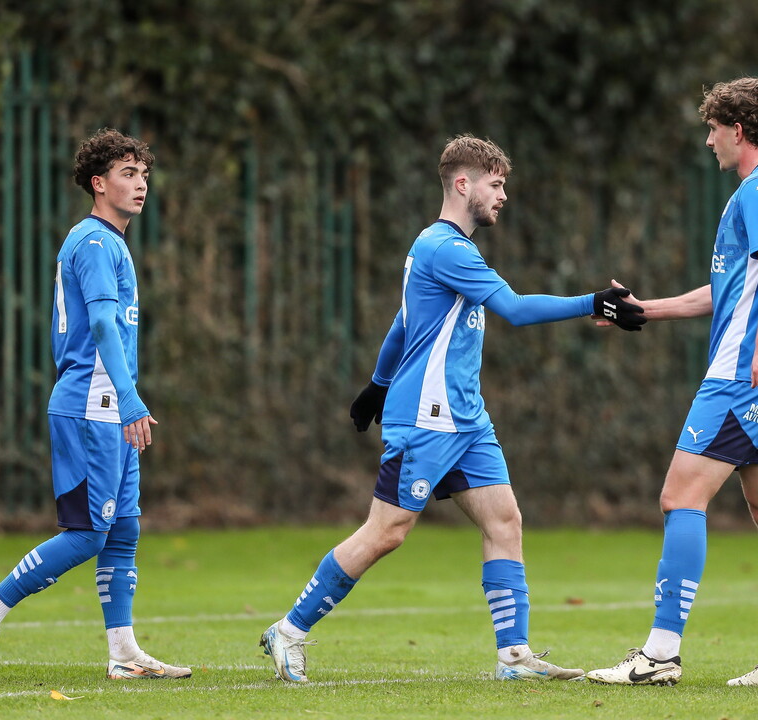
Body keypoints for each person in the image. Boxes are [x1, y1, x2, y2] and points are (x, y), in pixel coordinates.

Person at [259, 134, 645, 683]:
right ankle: (289, 631)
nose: (503, 195)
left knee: (505, 520)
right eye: (496, 183)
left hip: (466, 419)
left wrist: (376, 383)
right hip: (427, 419)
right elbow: (513, 308)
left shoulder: (443, 249)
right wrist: (594, 302)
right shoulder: (446, 248)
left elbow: (402, 324)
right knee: (387, 531)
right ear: (463, 184)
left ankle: (514, 658)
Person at [586, 77, 758, 688]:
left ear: (737, 131)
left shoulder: (757, 189)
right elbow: (735, 289)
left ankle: (659, 655)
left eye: (713, 129)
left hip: (743, 373)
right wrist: (647, 310)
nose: (709, 141)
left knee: (680, 497)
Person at [0, 128, 191, 681]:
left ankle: (124, 654)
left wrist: (125, 399)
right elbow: (103, 323)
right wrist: (130, 399)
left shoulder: (111, 242)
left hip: (111, 406)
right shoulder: (94, 242)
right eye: (128, 174)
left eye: (145, 175)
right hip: (91, 405)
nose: (141, 185)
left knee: (123, 528)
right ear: (98, 182)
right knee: (87, 532)